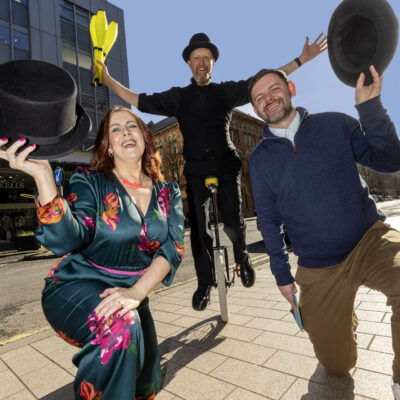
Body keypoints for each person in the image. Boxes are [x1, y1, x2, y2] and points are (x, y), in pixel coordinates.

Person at [93, 32, 327, 311]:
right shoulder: (178, 97)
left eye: (206, 58)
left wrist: (302, 59)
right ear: (189, 64)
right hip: (196, 168)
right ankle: (204, 282)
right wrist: (107, 80)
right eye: (196, 59)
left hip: (226, 164)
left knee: (231, 219)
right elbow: (139, 99)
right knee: (199, 231)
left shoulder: (226, 91)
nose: (201, 62)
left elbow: (265, 80)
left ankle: (241, 257)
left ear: (213, 62)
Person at [0, 106, 186, 400]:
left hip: (130, 293)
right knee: (120, 328)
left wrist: (137, 292)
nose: (125, 132)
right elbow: (66, 241)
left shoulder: (169, 192)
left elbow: (172, 248)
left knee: (145, 381)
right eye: (115, 129)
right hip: (76, 285)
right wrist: (45, 178)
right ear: (108, 147)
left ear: (144, 137)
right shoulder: (89, 181)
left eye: (132, 126)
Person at [248, 66, 400, 398]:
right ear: (256, 109)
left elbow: (391, 161)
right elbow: (269, 221)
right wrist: (282, 275)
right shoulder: (259, 161)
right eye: (259, 98)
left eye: (273, 89)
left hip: (368, 239)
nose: (267, 99)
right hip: (319, 264)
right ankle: (345, 321)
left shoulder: (336, 123)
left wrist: (369, 107)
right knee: (336, 366)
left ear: (290, 88)